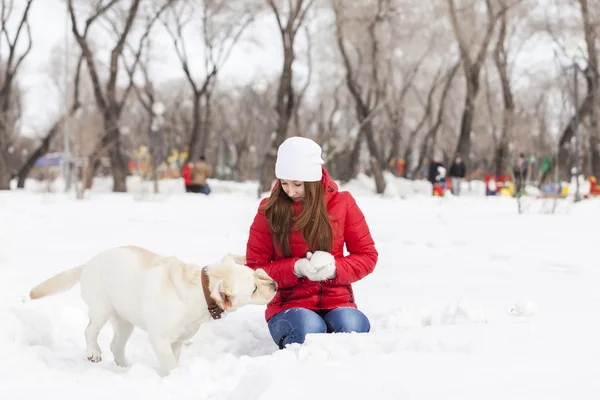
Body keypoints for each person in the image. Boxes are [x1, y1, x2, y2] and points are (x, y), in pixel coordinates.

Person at [245, 136, 378, 349]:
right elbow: (253, 270)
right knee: (309, 330)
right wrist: (295, 268)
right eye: (284, 183)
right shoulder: (268, 211)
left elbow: (367, 256)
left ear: (314, 180)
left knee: (353, 325)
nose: (290, 191)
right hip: (288, 307)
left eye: (297, 184)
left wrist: (335, 269)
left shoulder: (343, 204)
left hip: (338, 302)